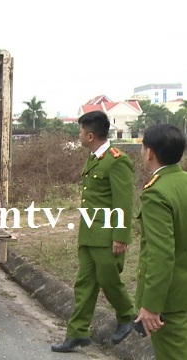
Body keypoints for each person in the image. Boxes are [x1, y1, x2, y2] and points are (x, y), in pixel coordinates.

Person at [51, 110, 136, 352]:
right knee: (84, 284)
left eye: (80, 131)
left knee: (108, 280)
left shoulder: (116, 160)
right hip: (89, 234)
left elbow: (123, 202)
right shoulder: (93, 158)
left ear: (90, 135)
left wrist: (120, 236)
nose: (78, 135)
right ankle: (77, 333)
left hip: (107, 235)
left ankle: (127, 314)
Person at [135, 124, 187, 360]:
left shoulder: (157, 192)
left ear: (149, 153)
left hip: (171, 301)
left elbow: (161, 254)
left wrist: (151, 305)